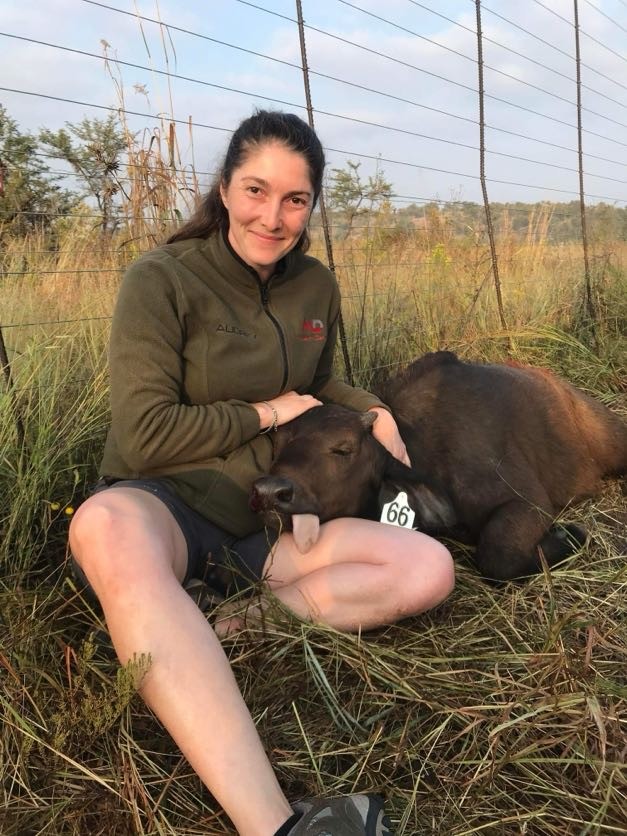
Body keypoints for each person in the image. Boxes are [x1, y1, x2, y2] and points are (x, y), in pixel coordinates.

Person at [69, 109, 455, 836]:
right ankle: (275, 825)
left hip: (266, 517)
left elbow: (321, 381)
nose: (271, 217)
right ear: (222, 188)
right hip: (169, 502)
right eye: (255, 191)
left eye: (293, 199)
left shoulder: (313, 286)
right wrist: (265, 414)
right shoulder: (162, 279)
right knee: (104, 526)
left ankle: (219, 625)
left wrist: (374, 410)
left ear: (311, 206)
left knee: (426, 568)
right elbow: (144, 433)